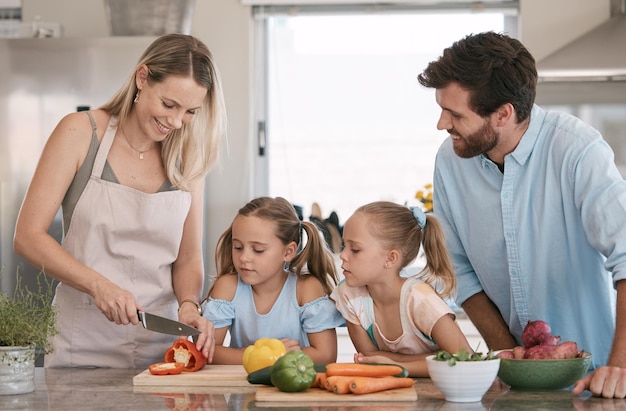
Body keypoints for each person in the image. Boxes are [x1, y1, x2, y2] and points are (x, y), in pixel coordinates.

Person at [417, 31, 626, 398]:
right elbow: (459, 272)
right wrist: (510, 358)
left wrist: (620, 367)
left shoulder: (578, 151)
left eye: (455, 113)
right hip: (515, 385)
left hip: (597, 381)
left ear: (503, 113)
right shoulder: (450, 162)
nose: (441, 124)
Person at [13, 34, 226, 368]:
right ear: (143, 77)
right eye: (169, 105)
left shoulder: (188, 155)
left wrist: (188, 305)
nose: (175, 121)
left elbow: (186, 256)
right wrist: (99, 286)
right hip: (81, 345)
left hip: (164, 352)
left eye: (190, 112)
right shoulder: (80, 133)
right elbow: (27, 237)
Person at [331, 201, 473, 377]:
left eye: (355, 249)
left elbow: (465, 359)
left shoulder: (421, 299)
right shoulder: (349, 295)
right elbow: (368, 358)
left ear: (390, 258)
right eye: (344, 246)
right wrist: (433, 358)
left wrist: (396, 365)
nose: (343, 255)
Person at [203, 196, 345, 364]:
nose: (244, 257)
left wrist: (254, 355)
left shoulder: (306, 288)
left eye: (258, 250)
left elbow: (326, 355)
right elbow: (207, 351)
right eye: (238, 247)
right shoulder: (228, 287)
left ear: (288, 252)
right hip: (243, 388)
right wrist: (266, 356)